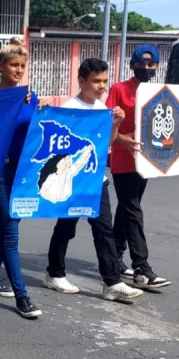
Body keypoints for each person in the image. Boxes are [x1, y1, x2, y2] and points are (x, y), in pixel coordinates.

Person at [42, 58, 144, 302]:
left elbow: (105, 145)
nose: (102, 86)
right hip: (74, 181)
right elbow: (59, 149)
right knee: (66, 228)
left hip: (97, 181)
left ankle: (112, 282)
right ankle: (54, 273)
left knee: (103, 230)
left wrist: (116, 124)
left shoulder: (102, 110)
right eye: (96, 81)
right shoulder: (69, 108)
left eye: (105, 81)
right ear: (82, 81)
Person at [106, 46, 179, 290]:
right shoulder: (119, 89)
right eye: (141, 65)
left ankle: (116, 257)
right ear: (132, 64)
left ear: (157, 67)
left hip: (148, 160)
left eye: (151, 65)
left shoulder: (158, 92)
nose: (146, 69)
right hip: (124, 160)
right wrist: (122, 138)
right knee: (133, 210)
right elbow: (106, 122)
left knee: (126, 209)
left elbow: (167, 120)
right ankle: (142, 268)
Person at [0, 38, 44, 318]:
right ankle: (22, 296)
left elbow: (37, 133)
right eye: (14, 65)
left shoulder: (31, 97)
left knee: (8, 224)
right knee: (10, 229)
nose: (19, 70)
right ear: (0, 66)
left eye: (22, 66)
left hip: (21, 173)